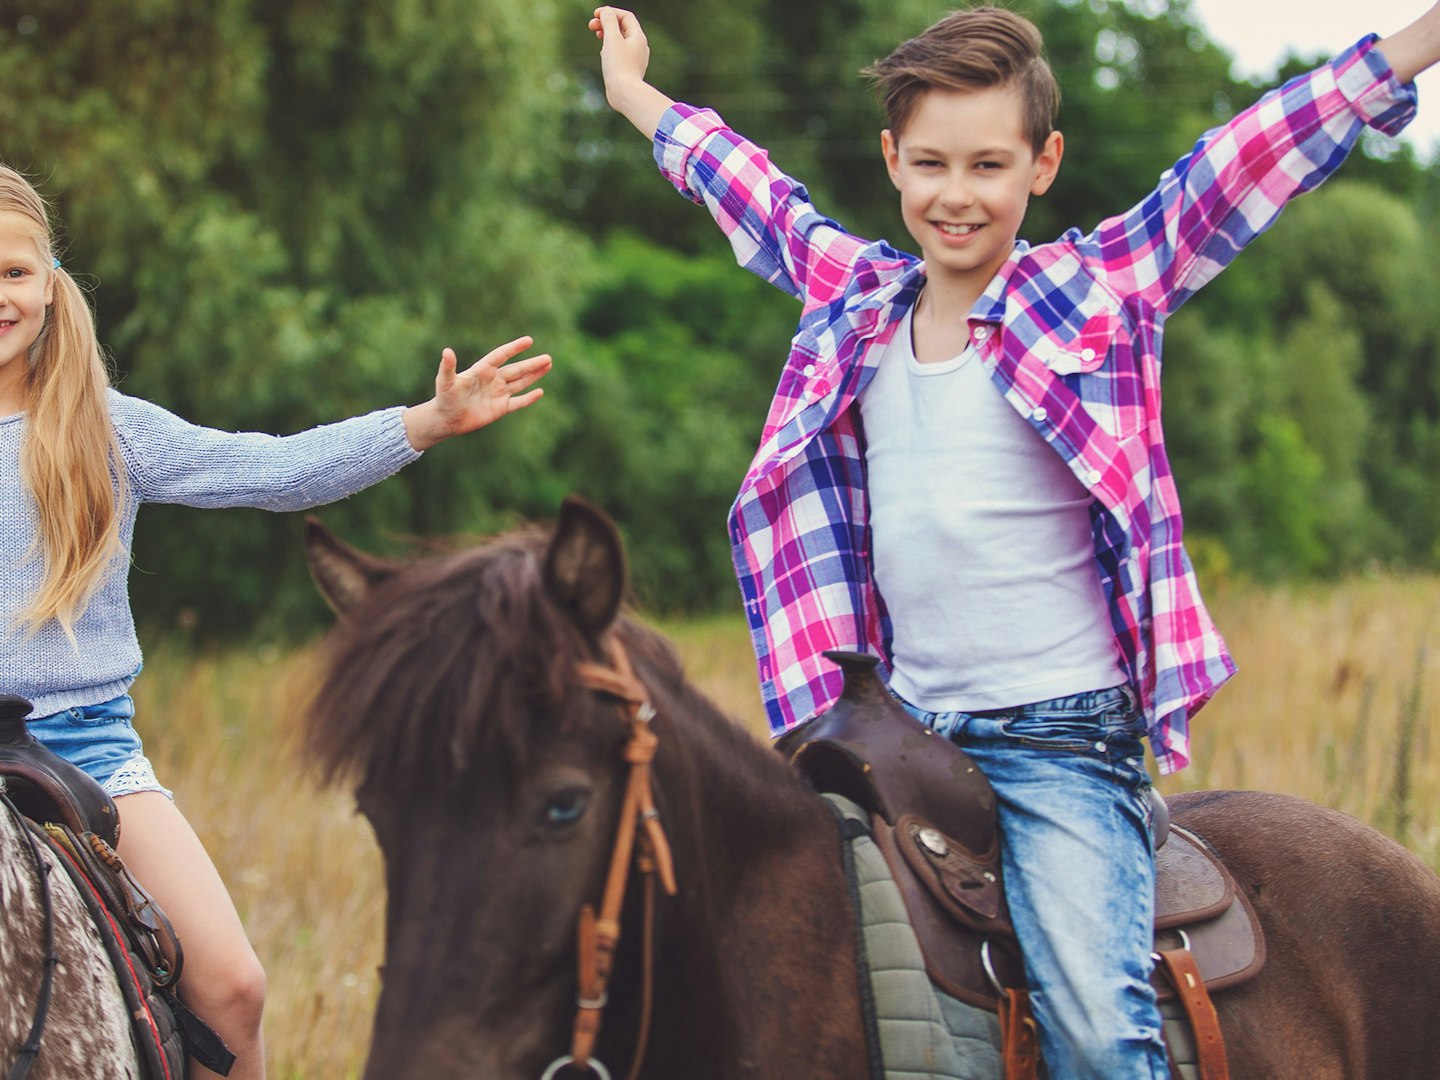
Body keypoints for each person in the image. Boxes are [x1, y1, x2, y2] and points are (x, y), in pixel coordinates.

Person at [589, 3, 1440, 1076]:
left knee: (1092, 1020)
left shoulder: (1096, 289)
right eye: (933, 163)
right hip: (894, 739)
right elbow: (749, 188)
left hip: (1059, 745)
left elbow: (1241, 158)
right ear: (893, 159)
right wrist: (631, 93)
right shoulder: (855, 301)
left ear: (1043, 164)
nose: (958, 194)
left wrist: (1415, 45)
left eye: (990, 164)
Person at [0, 162, 550, 1080]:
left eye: (13, 273)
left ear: (50, 284)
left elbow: (273, 470)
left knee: (235, 987)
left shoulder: (104, 429)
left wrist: (421, 423)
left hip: (83, 753)